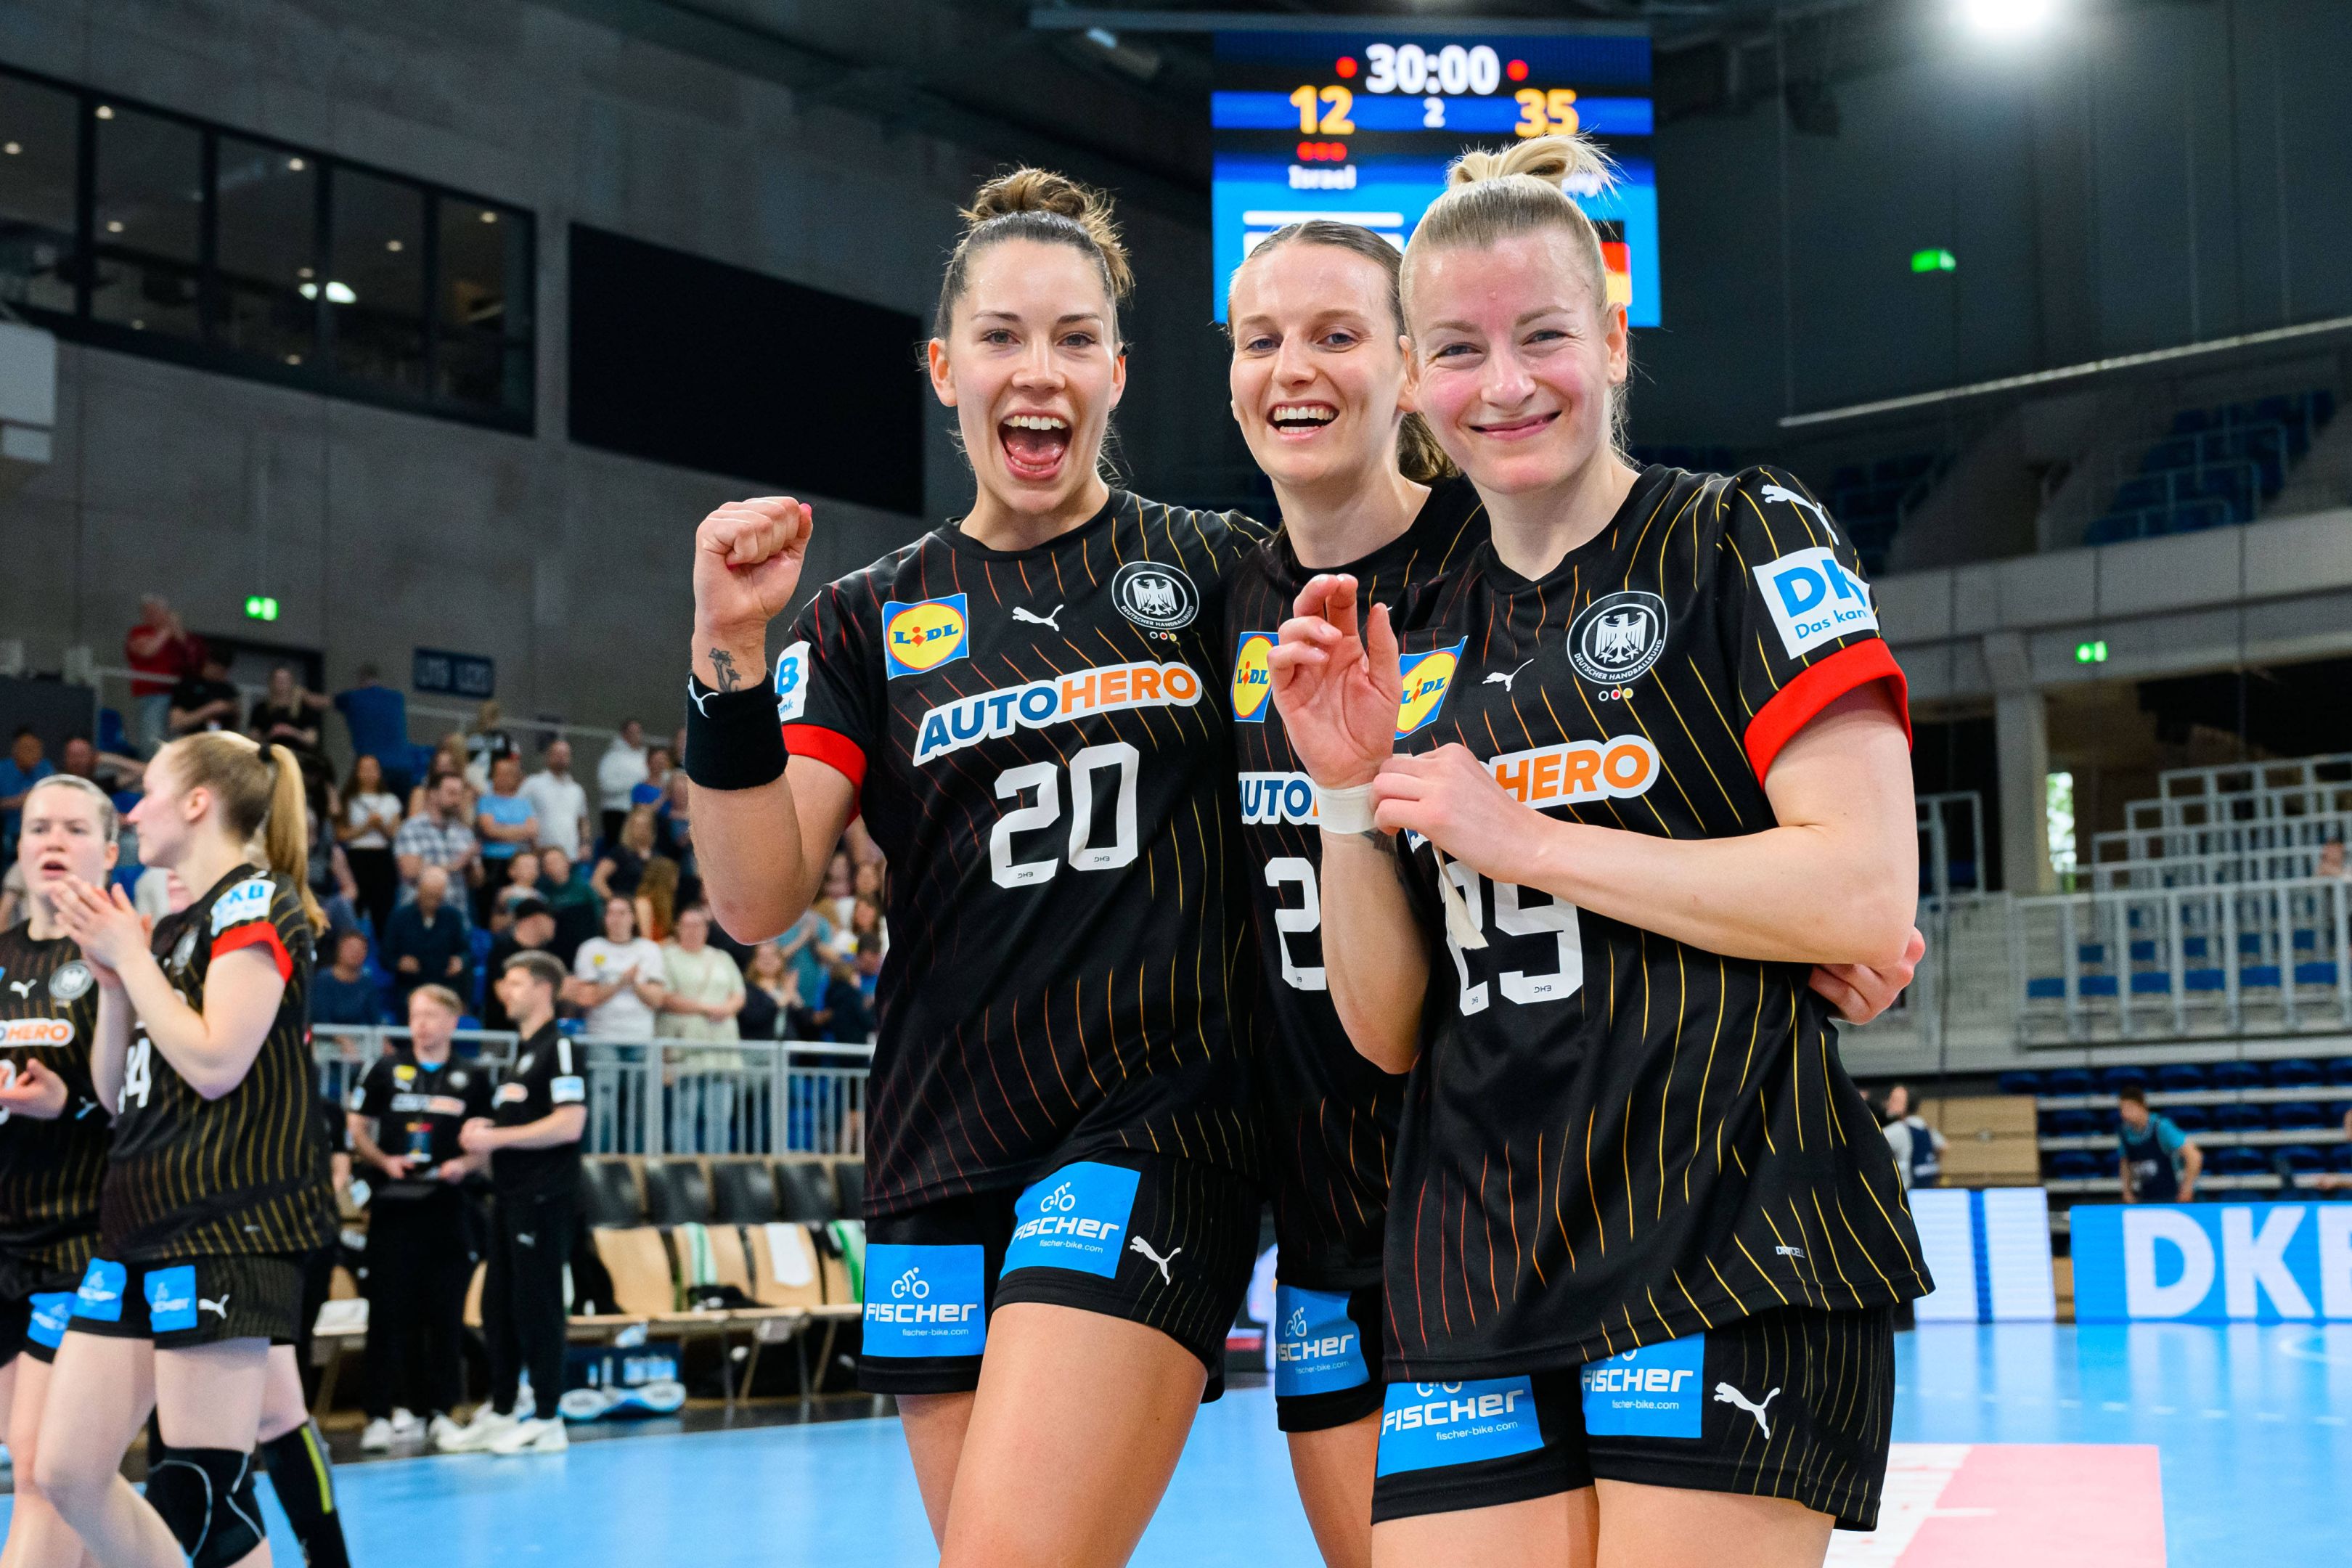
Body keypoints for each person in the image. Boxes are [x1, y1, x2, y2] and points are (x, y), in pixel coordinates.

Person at [1222, 218, 1926, 1568]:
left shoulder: (1738, 534)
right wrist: (1349, 796)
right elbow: (1385, 1029)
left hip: (1727, 1224)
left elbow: (1859, 889)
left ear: (1611, 342)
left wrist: (1527, 840)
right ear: (1418, 379)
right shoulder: (1415, 623)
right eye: (1460, 350)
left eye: (1542, 335)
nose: (1505, 385)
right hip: (1475, 1251)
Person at [685, 167, 1268, 1564]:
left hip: (1151, 1131)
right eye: (1002, 337)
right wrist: (727, 654)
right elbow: (756, 896)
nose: (1038, 370)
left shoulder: (1214, 567)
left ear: (1117, 373)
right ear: (947, 369)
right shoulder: (864, 618)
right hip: (939, 1151)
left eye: (1075, 339)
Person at [41, 732, 339, 1568]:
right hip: (137, 1226)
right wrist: (114, 982)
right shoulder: (174, 928)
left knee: (200, 1497)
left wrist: (132, 960)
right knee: (67, 1474)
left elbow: (215, 1063)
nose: (134, 810)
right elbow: (115, 1092)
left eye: (149, 792)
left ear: (199, 802)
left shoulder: (256, 904)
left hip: (222, 1226)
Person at [0, 776, 120, 1568]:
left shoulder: (125, 953)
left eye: (74, 829)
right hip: (4, 1237)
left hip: (81, 1239)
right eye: (40, 826)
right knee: (32, 1467)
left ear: (108, 851)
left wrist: (64, 1104)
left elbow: (136, 1099)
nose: (53, 841)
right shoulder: (2, 952)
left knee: (47, 1474)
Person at [442, 952, 586, 1455]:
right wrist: (482, 1138)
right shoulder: (520, 1054)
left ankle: (548, 1416)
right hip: (508, 1197)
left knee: (537, 1306)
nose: (506, 990)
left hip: (544, 1198)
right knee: (497, 1306)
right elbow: (520, 1128)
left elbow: (570, 1123)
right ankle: (503, 1410)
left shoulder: (560, 1048)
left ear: (545, 989)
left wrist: (497, 1138)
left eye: (517, 982)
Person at [348, 984, 491, 1452]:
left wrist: (464, 1165)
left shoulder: (472, 1076)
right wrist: (382, 1160)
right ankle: (379, 1413)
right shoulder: (385, 1069)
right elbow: (357, 1126)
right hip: (395, 1205)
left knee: (445, 1314)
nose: (421, 1025)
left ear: (452, 1021)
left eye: (431, 1015)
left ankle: (441, 1411)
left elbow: (486, 1141)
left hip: (447, 1206)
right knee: (388, 1313)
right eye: (414, 1016)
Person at [569, 896, 667, 1040]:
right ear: (604, 918)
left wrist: (635, 984)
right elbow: (585, 997)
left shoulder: (650, 949)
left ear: (633, 918)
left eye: (622, 913)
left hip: (641, 1034)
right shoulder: (590, 949)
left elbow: (657, 1000)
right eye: (611, 913)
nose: (616, 919)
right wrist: (620, 983)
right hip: (601, 1034)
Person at [383, 864, 470, 1007]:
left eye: (438, 897)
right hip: (411, 987)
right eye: (429, 895)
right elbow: (385, 956)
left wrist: (460, 960)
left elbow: (465, 951)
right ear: (419, 891)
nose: (433, 901)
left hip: (444, 985)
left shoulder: (453, 917)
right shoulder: (400, 917)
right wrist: (399, 963)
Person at [125, 595, 200, 756]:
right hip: (153, 693)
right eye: (147, 612)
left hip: (180, 695)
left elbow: (192, 657)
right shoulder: (139, 632)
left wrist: (177, 628)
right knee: (151, 740)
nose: (150, 615)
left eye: (155, 611)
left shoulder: (177, 635)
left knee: (177, 740)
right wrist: (167, 630)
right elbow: (147, 651)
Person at [338, 754, 404, 936]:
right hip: (356, 857)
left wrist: (380, 825)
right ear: (357, 772)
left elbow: (395, 833)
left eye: (373, 769)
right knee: (355, 907)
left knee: (383, 909)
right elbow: (341, 834)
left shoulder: (391, 800)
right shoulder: (348, 799)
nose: (369, 774)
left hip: (382, 857)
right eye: (364, 770)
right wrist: (367, 826)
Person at [657, 906, 744, 1043]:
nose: (693, 930)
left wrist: (727, 1009)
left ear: (706, 929)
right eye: (688, 925)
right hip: (683, 1039)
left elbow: (739, 994)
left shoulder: (722, 957)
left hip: (723, 1038)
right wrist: (707, 1008)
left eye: (697, 925)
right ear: (678, 928)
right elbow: (664, 997)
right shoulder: (666, 957)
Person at [472, 756, 539, 923]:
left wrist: (501, 829)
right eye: (499, 773)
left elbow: (533, 830)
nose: (504, 777)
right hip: (493, 862)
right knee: (491, 909)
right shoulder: (485, 801)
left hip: (519, 863)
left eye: (508, 773)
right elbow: (489, 830)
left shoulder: (524, 804)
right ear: (493, 776)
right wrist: (519, 831)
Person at [395, 772, 482, 899]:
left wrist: (471, 867)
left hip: (456, 907)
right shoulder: (411, 828)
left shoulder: (465, 832)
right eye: (452, 793)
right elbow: (411, 872)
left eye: (460, 794)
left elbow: (477, 882)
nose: (457, 800)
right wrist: (457, 865)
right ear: (433, 794)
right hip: (419, 907)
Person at [481, 897, 559, 1034]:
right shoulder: (502, 950)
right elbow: (502, 992)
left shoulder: (547, 956)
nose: (554, 925)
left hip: (538, 1034)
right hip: (502, 1034)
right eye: (551, 919)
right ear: (535, 920)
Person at [333, 664, 412, 794]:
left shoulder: (354, 697)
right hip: (403, 768)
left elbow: (319, 702)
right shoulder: (396, 698)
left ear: (361, 680)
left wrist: (302, 694)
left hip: (373, 768)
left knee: (356, 801)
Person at [2118, 1083, 2201, 1203]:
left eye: (2129, 1108)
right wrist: (2127, 1191)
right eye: (2122, 1109)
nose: (2124, 1114)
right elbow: (2125, 1162)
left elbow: (2194, 1156)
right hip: (2148, 1197)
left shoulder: (2161, 1127)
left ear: (2142, 1106)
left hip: (2174, 1195)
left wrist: (2187, 1188)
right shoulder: (2125, 1133)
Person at [520, 738, 592, 861]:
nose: (561, 757)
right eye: (557, 753)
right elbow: (518, 812)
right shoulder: (532, 784)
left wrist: (585, 844)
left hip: (571, 855)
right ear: (547, 757)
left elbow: (583, 820)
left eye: (565, 754)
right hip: (540, 855)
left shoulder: (576, 790)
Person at [535, 846, 600, 964]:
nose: (553, 865)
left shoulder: (584, 888)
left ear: (567, 863)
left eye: (556, 861)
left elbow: (598, 914)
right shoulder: (542, 892)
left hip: (584, 941)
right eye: (548, 863)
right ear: (544, 869)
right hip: (556, 947)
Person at [1878, 1084, 1947, 1191]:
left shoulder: (1896, 1130)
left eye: (1895, 1100)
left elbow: (1870, 1147)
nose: (1889, 1103)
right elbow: (1943, 1146)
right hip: (1926, 1188)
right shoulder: (1924, 1126)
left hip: (1906, 1190)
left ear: (1908, 1104)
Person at [312, 928, 385, 1026]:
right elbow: (321, 1018)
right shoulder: (323, 980)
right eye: (351, 948)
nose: (355, 953)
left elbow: (375, 1019)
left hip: (359, 1034)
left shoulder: (367, 982)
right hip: (326, 1034)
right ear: (339, 950)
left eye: (360, 949)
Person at [1, 728, 57, 854]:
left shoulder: (46, 768)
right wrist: (14, 802)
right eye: (26, 748)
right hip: (9, 831)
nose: (31, 753)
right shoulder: (3, 770)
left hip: (41, 831)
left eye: (36, 749)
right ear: (15, 750)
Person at [590, 803, 660, 902]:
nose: (642, 830)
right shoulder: (619, 853)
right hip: (626, 903)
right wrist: (615, 901)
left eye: (646, 826)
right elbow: (597, 880)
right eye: (638, 826)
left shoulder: (657, 855)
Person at [166, 650, 242, 739]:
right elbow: (176, 724)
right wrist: (212, 709)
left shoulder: (228, 690)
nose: (217, 671)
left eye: (223, 669)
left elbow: (236, 726)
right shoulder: (188, 685)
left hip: (220, 740)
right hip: (190, 738)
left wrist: (231, 710)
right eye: (214, 665)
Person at [248, 667, 325, 754]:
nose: (281, 684)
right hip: (270, 754)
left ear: (292, 683)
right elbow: (252, 740)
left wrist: (291, 732)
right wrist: (271, 734)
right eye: (278, 680)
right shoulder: (261, 709)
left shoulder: (304, 709)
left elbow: (312, 740)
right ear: (271, 683)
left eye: (285, 680)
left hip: (297, 755)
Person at [597, 721, 649, 849]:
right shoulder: (612, 757)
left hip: (640, 811)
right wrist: (635, 783)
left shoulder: (644, 756)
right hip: (616, 812)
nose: (635, 735)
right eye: (632, 732)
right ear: (624, 734)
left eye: (638, 732)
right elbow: (606, 784)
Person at [736, 939, 801, 1041]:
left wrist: (796, 1001)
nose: (768, 960)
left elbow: (800, 1020)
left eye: (773, 955)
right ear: (754, 961)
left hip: (787, 1046)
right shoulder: (748, 989)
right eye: (763, 956)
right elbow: (751, 1018)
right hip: (759, 1045)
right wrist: (780, 1002)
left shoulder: (785, 987)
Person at [634, 854, 679, 946]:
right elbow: (645, 944)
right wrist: (668, 942)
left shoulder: (665, 904)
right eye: (674, 877)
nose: (676, 883)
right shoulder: (643, 903)